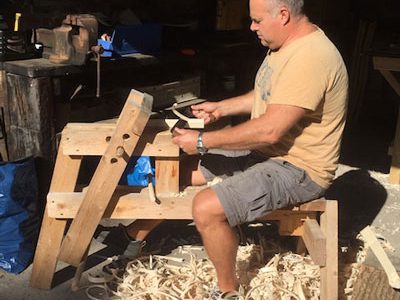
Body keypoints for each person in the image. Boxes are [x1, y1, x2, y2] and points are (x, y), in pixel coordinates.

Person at [97, 0, 348, 297]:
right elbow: (268, 94)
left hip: (299, 168)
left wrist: (202, 141)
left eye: (256, 20)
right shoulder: (286, 45)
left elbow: (270, 130)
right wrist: (221, 109)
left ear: (283, 15)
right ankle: (134, 236)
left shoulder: (312, 57)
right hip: (270, 154)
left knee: (206, 209)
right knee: (177, 172)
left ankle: (226, 290)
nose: (251, 27)